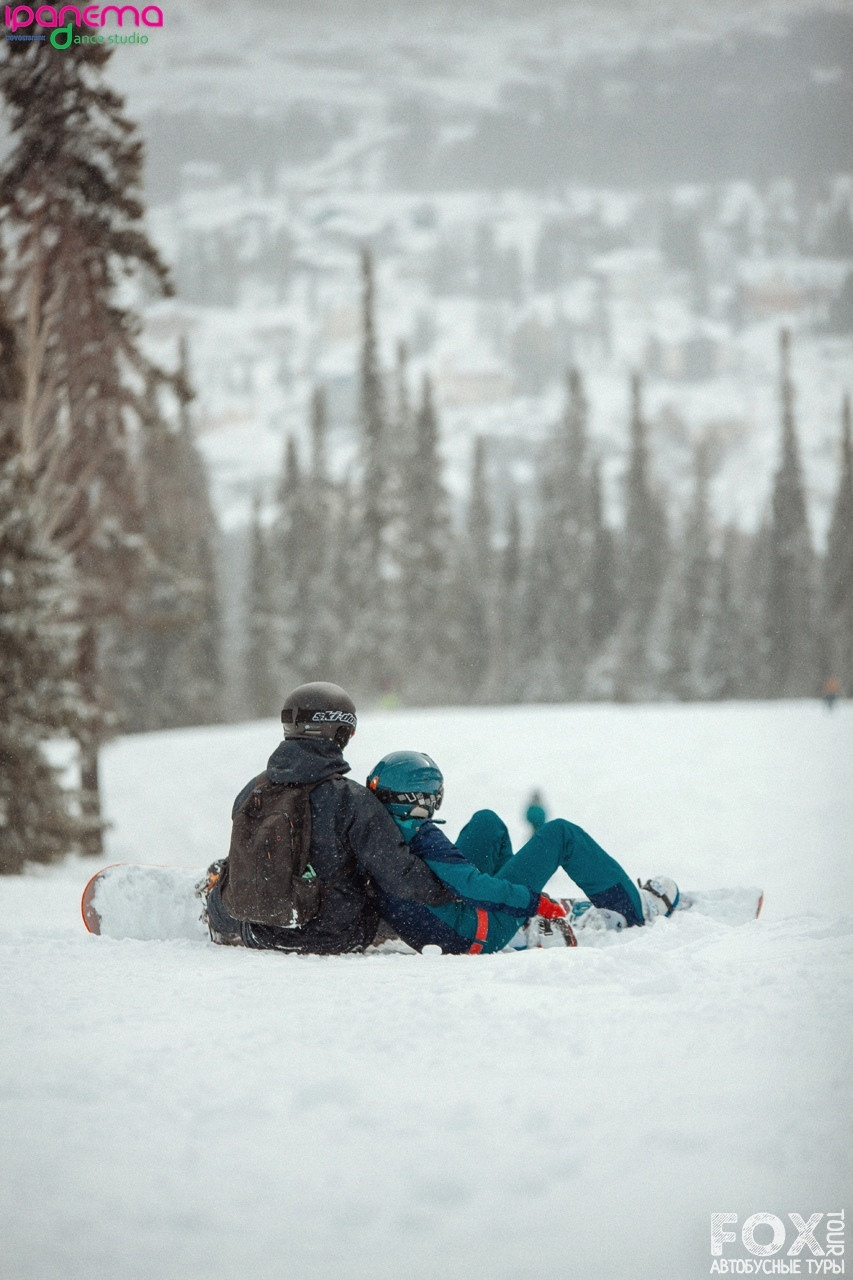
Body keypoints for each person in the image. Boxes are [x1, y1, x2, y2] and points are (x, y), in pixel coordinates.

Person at [203, 683, 455, 954]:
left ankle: (215, 906)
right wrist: (450, 890)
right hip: (333, 935)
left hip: (257, 932)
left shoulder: (253, 789)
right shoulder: (351, 799)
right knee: (376, 887)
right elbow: (399, 874)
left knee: (233, 867)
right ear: (340, 733)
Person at [366, 750, 679, 955]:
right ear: (417, 798)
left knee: (487, 823)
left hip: (443, 922)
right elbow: (470, 886)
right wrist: (533, 903)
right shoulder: (422, 836)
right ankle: (631, 912)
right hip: (475, 932)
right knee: (561, 834)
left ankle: (519, 925)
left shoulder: (374, 832)